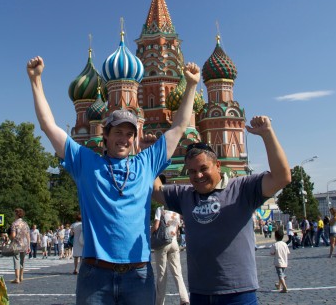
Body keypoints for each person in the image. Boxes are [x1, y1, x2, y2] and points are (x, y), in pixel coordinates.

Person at [27, 55, 200, 304]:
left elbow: (179, 127)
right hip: (95, 273)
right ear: (105, 135)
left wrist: (191, 85)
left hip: (138, 273)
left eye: (130, 134)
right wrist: (36, 81)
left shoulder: (146, 163)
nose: (124, 139)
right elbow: (48, 126)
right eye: (118, 132)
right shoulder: (86, 163)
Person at [153, 115, 291, 304]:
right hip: (200, 293)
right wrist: (148, 153)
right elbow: (157, 191)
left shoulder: (242, 188)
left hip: (238, 292)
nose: (198, 175)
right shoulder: (185, 195)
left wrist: (267, 134)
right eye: (192, 171)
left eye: (203, 168)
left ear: (218, 165)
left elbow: (282, 178)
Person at [153, 205, 189, 305]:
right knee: (178, 272)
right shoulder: (177, 211)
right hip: (173, 242)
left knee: (162, 274)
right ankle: (184, 299)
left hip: (162, 243)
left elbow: (156, 226)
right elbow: (177, 228)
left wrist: (150, 233)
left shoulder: (160, 209)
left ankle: (160, 302)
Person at [9, 208, 30, 283]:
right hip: (24, 244)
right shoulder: (25, 224)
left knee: (16, 260)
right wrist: (29, 245)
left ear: (16, 214)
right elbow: (28, 235)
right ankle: (21, 276)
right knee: (22, 261)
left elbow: (13, 235)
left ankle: (17, 278)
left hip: (17, 244)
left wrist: (10, 237)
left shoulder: (14, 224)